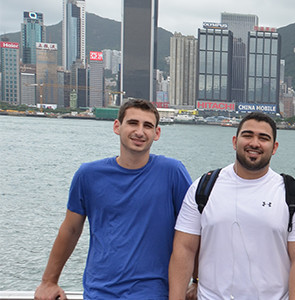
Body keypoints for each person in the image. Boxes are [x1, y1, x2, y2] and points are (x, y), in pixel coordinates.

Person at [35, 99, 192, 299]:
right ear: (117, 126)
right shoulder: (88, 175)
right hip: (99, 292)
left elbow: (193, 231)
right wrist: (49, 281)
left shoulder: (172, 172)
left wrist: (196, 280)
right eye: (133, 123)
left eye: (148, 126)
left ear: (157, 133)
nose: (140, 132)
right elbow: (71, 229)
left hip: (154, 293)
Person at [169, 112, 295, 300]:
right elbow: (184, 249)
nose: (254, 143)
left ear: (274, 147)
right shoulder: (203, 188)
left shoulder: (294, 197)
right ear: (234, 141)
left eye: (263, 138)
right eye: (247, 135)